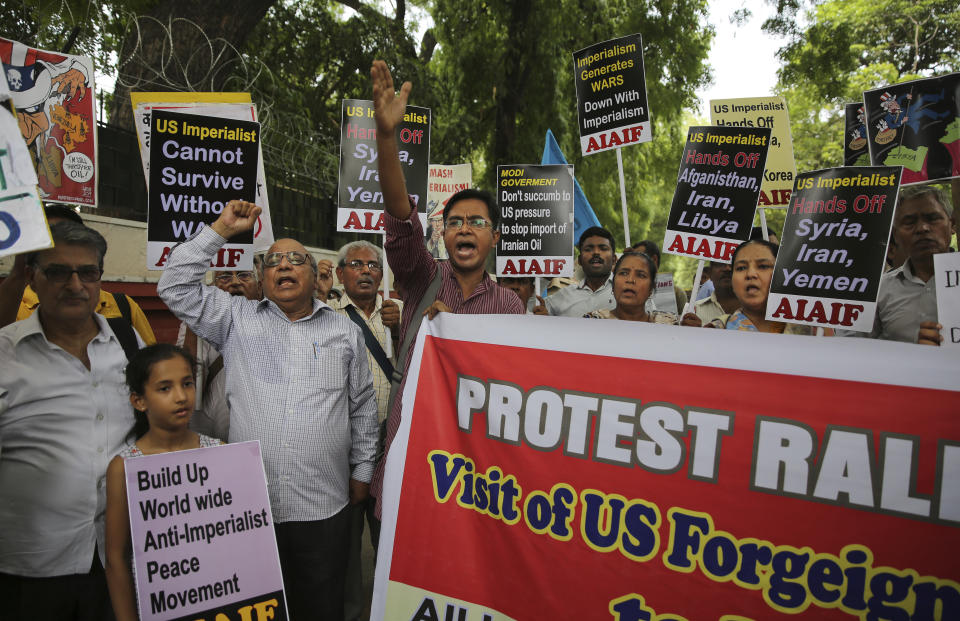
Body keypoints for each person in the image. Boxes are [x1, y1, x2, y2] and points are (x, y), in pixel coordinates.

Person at [157, 199, 379, 621]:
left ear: (314, 276)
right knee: (258, 611)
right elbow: (173, 286)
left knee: (319, 608)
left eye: (296, 260)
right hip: (247, 510)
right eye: (273, 261)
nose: (283, 266)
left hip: (324, 506)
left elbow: (363, 407)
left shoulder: (343, 331)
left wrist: (362, 472)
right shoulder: (234, 318)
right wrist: (220, 229)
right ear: (262, 276)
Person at [368, 60, 524, 521]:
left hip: (471, 479)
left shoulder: (509, 305)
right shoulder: (421, 275)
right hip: (407, 460)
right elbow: (399, 218)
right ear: (443, 234)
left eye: (477, 222)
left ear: (494, 237)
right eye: (454, 221)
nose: (464, 229)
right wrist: (385, 137)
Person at [0, 221, 142, 620]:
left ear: (100, 278)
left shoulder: (130, 343)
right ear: (32, 277)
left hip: (118, 561)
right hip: (31, 568)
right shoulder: (5, 355)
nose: (75, 284)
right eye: (59, 272)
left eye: (87, 273)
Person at [104, 344, 222, 621]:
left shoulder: (218, 452)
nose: (181, 397)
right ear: (139, 400)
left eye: (188, 384)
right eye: (165, 388)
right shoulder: (125, 468)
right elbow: (116, 558)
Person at [331, 240, 402, 621]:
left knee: (389, 537)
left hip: (391, 447)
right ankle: (351, 612)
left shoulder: (399, 312)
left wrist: (402, 329)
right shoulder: (325, 315)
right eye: (356, 264)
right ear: (341, 274)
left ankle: (386, 610)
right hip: (344, 447)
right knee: (345, 543)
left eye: (374, 265)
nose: (366, 271)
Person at [0, 204, 157, 344]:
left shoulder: (123, 307)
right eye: (53, 239)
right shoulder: (14, 308)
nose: (75, 286)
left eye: (71, 236)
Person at [178, 269, 261, 442]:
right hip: (209, 439)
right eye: (224, 277)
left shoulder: (274, 321)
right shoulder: (196, 321)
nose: (235, 282)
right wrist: (193, 320)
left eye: (244, 275)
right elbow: (185, 379)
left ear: (259, 286)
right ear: (213, 287)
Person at [864, 186, 952, 345]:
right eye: (909, 222)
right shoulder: (877, 291)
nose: (922, 228)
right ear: (896, 235)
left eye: (932, 218)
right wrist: (910, 351)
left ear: (952, 225)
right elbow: (855, 350)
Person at [706, 240, 820, 335]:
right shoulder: (714, 333)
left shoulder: (812, 331)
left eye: (763, 266)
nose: (750, 274)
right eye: (741, 268)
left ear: (783, 274)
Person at [583, 251, 701, 326]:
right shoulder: (593, 322)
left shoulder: (669, 324)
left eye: (641, 275)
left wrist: (692, 335)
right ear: (613, 285)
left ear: (651, 289)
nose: (630, 280)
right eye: (624, 273)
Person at [535, 226, 616, 316]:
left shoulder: (625, 292)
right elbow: (530, 310)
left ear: (614, 259)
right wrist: (544, 279)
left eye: (603, 248)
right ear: (580, 260)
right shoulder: (564, 295)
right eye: (588, 249)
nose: (596, 252)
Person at [631, 240, 688, 314]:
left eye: (638, 257)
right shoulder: (628, 289)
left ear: (654, 259)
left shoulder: (677, 294)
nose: (633, 262)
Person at [694, 261, 740, 325]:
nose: (727, 269)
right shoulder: (694, 311)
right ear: (710, 273)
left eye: (733, 264)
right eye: (720, 264)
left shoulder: (757, 311)